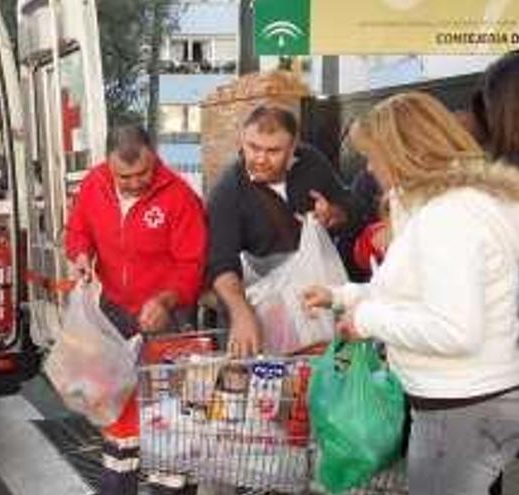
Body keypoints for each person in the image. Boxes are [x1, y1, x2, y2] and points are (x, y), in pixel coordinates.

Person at [303, 91, 519, 495]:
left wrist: (366, 321)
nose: (368, 167)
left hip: (458, 405)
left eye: (373, 156)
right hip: (478, 398)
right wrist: (343, 297)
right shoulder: (465, 204)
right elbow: (416, 291)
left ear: (403, 153)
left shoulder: (447, 217)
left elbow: (455, 329)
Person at [65, 125, 207, 495]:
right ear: (108, 165)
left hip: (167, 317)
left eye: (142, 173)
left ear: (154, 156)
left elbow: (191, 263)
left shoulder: (179, 196)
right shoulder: (94, 184)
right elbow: (78, 231)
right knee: (118, 409)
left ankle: (170, 485)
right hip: (113, 313)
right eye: (123, 176)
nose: (132, 183)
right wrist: (81, 256)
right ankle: (118, 486)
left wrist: (166, 299)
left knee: (171, 413)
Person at [206, 105, 358, 356]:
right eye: (253, 147)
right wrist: (241, 314)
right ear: (242, 140)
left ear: (293, 147)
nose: (260, 158)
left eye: (273, 151)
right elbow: (221, 263)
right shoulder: (227, 190)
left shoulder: (312, 162)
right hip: (263, 306)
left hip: (319, 299)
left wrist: (334, 214)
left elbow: (351, 206)